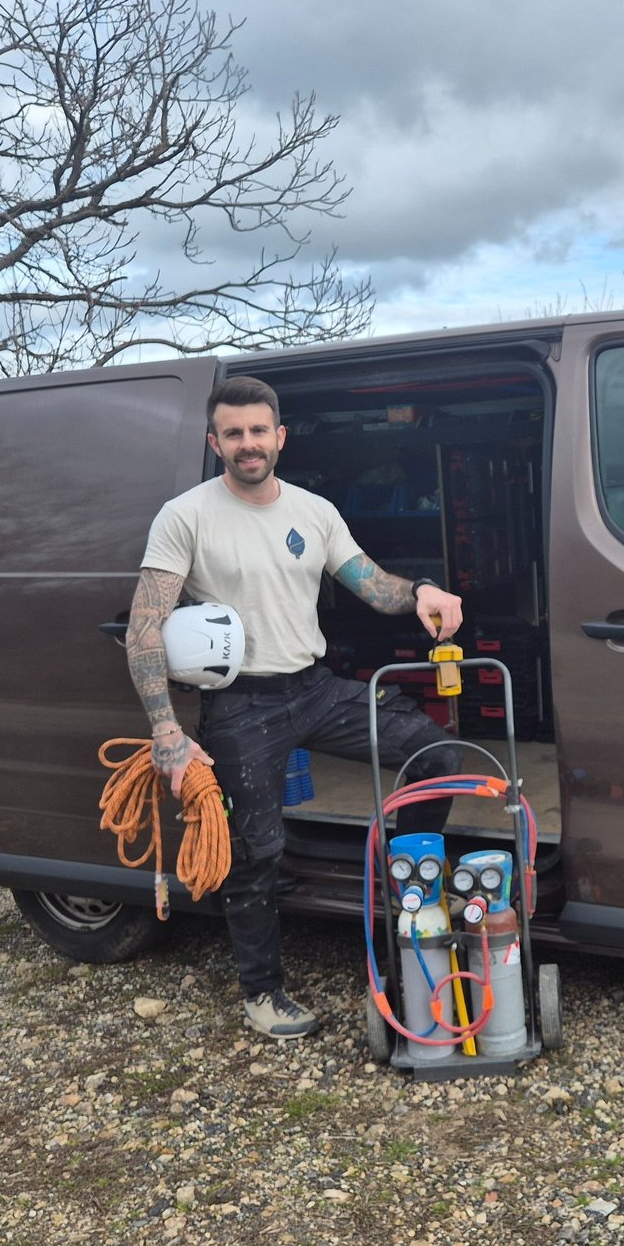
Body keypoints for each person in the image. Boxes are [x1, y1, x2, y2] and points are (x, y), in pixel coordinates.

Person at [125, 375, 464, 1038]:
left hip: (316, 688)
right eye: (233, 433)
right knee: (256, 854)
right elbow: (144, 627)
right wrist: (165, 729)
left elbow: (373, 584)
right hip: (241, 705)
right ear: (214, 441)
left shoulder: (314, 511)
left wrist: (423, 590)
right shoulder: (184, 515)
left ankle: (401, 875)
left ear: (279, 437)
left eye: (258, 431)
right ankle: (262, 992)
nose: (247, 444)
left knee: (437, 756)